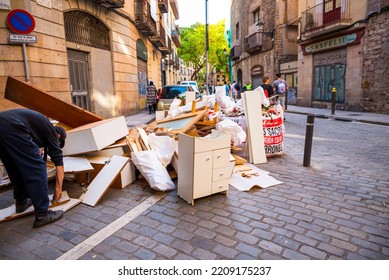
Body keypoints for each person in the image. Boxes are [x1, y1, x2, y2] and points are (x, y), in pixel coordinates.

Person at [0, 109, 66, 228]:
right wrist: (58, 190)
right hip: (13, 126)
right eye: (57, 143)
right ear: (59, 136)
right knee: (38, 167)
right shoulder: (51, 131)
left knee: (15, 167)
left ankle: (21, 202)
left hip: (4, 124)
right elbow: (59, 164)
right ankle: (42, 215)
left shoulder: (40, 129)